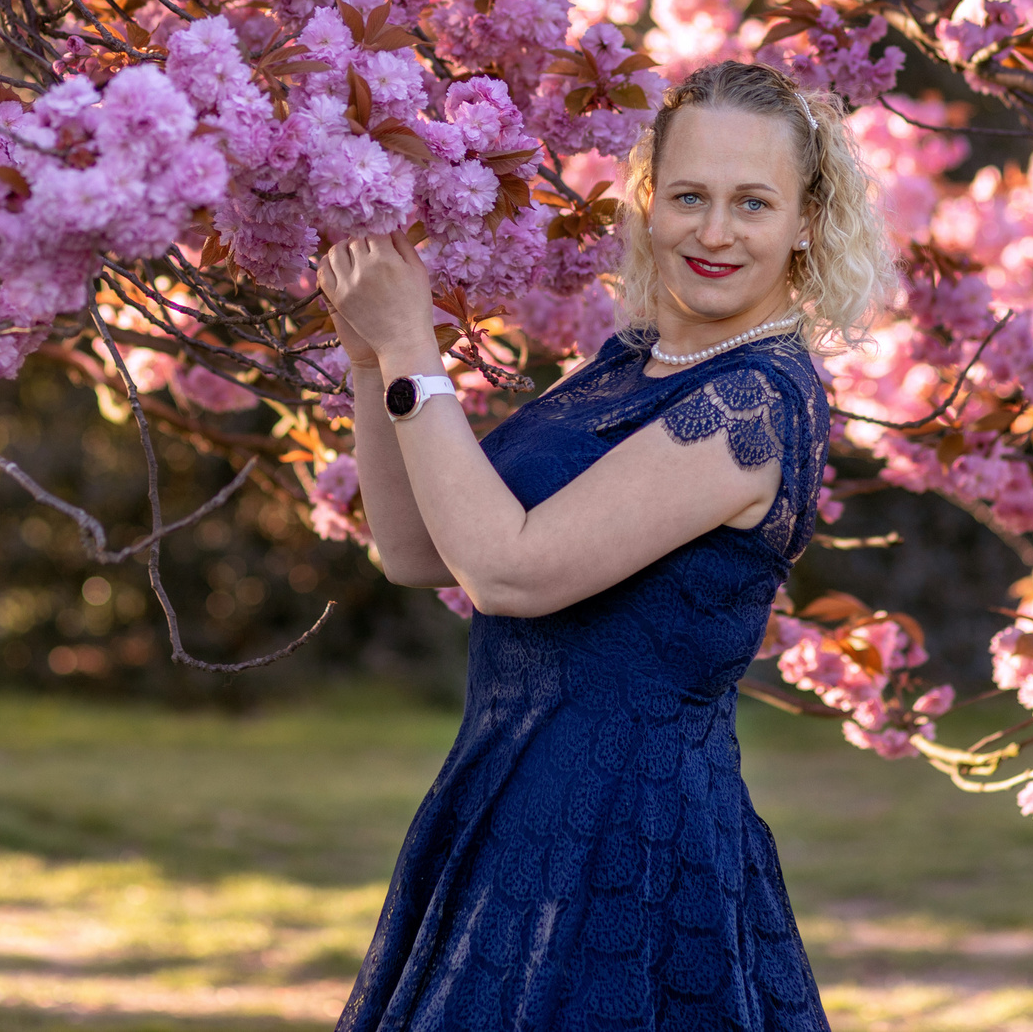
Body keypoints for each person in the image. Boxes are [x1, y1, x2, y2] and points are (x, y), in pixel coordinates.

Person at [316, 59, 893, 1032]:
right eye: (688, 197)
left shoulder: (750, 400)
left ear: (805, 220)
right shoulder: (627, 365)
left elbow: (508, 572)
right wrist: (375, 363)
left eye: (751, 203)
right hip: (505, 805)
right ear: (648, 202)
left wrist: (419, 351)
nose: (714, 232)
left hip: (631, 840)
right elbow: (419, 549)